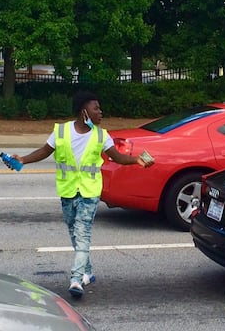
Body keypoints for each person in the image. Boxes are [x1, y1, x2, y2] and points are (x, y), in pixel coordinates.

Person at [11, 91, 154, 299]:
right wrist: (22, 159)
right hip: (68, 190)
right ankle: (88, 271)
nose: (100, 112)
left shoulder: (101, 135)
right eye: (96, 108)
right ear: (83, 111)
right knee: (74, 232)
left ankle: (76, 279)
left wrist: (136, 161)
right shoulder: (61, 131)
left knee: (83, 232)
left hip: (90, 191)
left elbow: (118, 157)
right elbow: (44, 151)